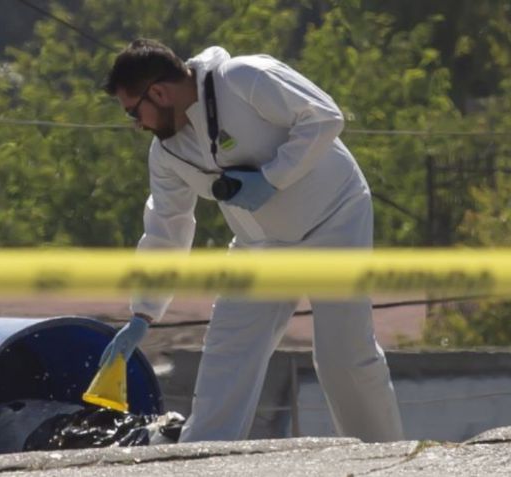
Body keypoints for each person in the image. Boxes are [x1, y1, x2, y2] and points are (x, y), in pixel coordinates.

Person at [97, 39, 404, 443]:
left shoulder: (244, 77)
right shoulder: (166, 153)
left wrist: (273, 178)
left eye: (135, 112)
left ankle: (382, 457)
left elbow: (325, 118)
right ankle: (201, 460)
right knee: (227, 356)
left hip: (335, 220)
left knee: (341, 358)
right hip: (260, 245)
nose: (137, 125)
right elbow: (165, 228)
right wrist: (143, 313)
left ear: (159, 92)